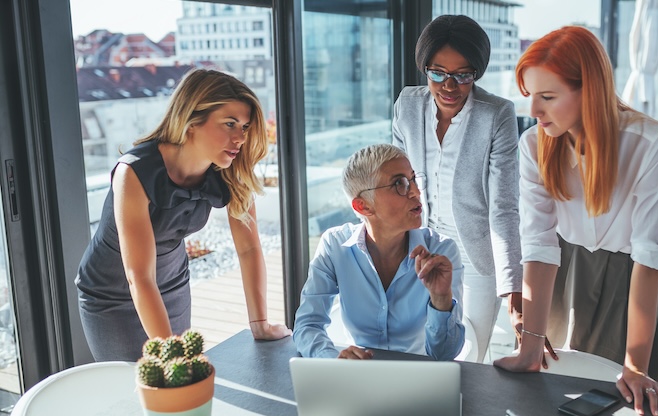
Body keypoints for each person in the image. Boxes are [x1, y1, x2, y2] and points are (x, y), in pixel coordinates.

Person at [493, 26, 658, 416]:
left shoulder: (648, 142)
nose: (534, 112)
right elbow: (539, 245)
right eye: (530, 97)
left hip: (631, 280)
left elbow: (648, 255)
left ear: (587, 90)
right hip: (562, 274)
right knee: (554, 401)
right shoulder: (533, 146)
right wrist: (529, 347)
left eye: (548, 97)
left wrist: (637, 367)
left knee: (622, 408)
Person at [75, 69, 291, 362]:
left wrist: (260, 324)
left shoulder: (229, 169)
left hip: (171, 283)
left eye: (245, 126)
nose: (240, 138)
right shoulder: (134, 172)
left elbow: (249, 248)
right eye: (230, 124)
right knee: (133, 388)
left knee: (180, 386)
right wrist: (172, 354)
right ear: (191, 121)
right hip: (111, 293)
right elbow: (138, 275)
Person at [392, 15, 522, 363]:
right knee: (422, 344)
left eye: (463, 75)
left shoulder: (497, 115)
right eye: (438, 73)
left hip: (478, 253)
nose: (449, 86)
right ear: (424, 69)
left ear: (476, 74)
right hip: (423, 248)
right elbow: (397, 184)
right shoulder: (407, 105)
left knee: (471, 354)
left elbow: (504, 207)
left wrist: (512, 286)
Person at [293, 144, 465, 360]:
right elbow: (307, 325)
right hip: (357, 380)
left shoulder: (441, 252)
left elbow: (445, 355)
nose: (415, 191)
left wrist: (441, 299)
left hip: (419, 380)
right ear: (363, 207)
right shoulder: (334, 245)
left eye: (413, 180)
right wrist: (332, 361)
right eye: (399, 184)